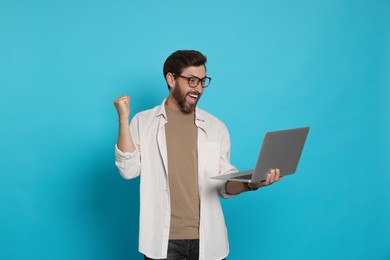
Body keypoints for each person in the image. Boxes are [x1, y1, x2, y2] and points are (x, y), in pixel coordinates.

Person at [114, 50, 282, 260]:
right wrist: (123, 118)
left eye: (203, 81)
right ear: (171, 79)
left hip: (208, 238)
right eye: (192, 81)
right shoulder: (143, 121)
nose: (199, 89)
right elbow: (128, 171)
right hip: (162, 239)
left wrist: (252, 182)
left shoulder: (215, 127)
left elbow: (223, 184)